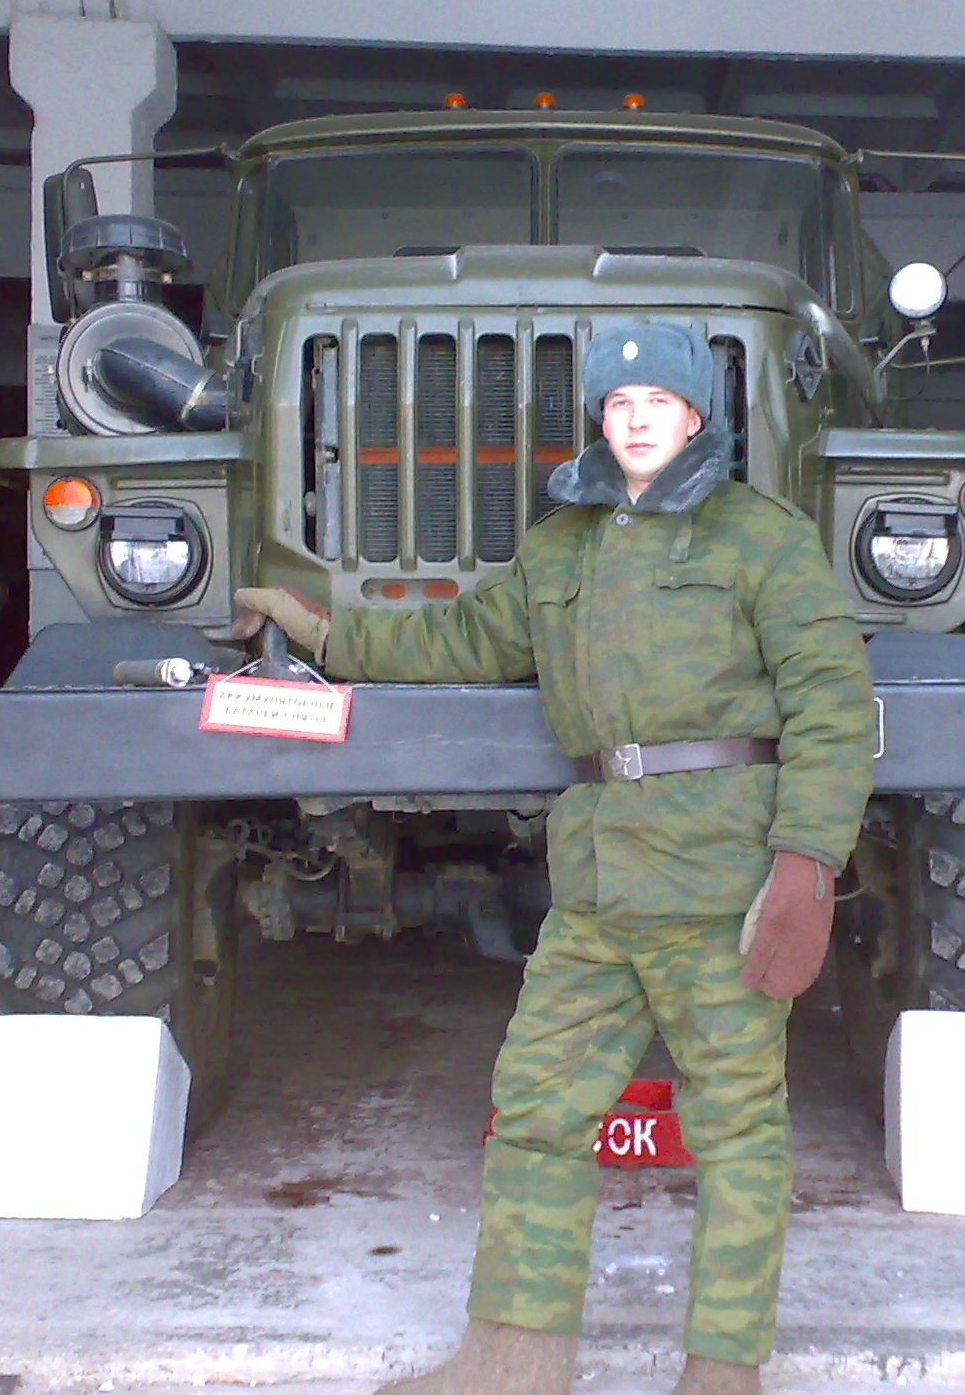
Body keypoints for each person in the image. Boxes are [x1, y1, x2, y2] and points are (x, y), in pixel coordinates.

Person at [232, 321, 875, 1395]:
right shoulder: (563, 543)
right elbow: (461, 640)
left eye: (658, 403)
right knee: (534, 1110)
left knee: (736, 1131)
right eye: (619, 405)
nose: (637, 421)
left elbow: (831, 702)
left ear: (695, 416)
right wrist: (325, 633)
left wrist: (807, 863)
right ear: (599, 419)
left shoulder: (760, 538)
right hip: (597, 886)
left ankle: (723, 1375)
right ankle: (511, 1361)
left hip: (720, 881)